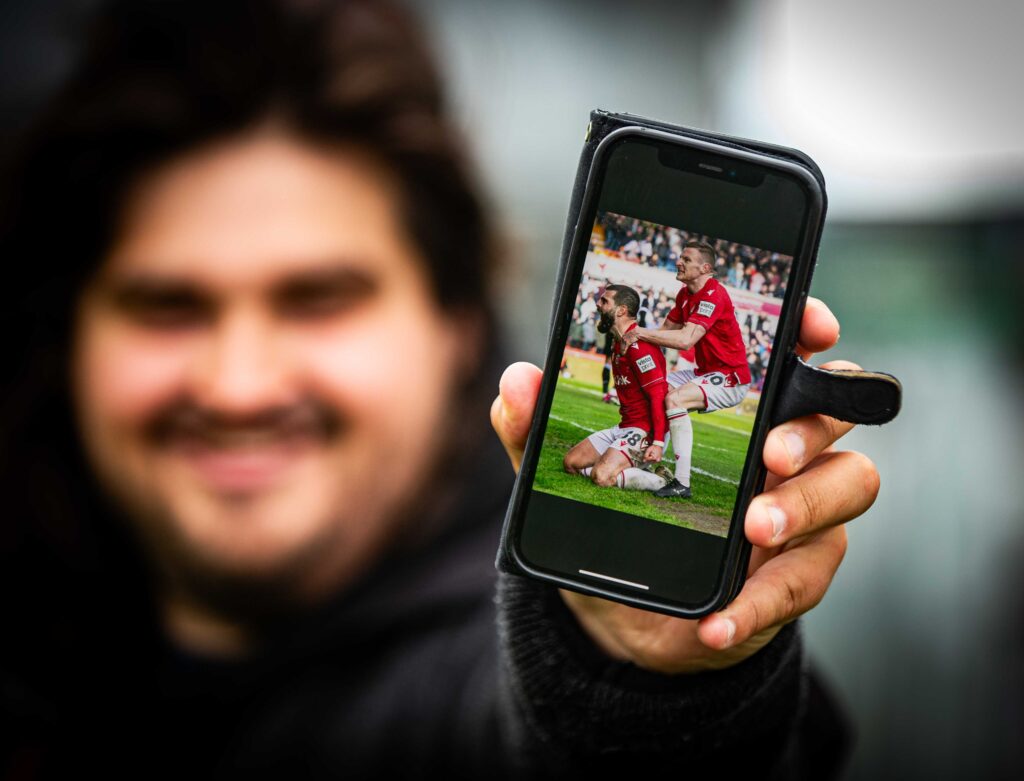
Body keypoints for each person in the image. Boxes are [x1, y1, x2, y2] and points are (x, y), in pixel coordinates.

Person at [1, 1, 880, 777]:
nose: (239, 386)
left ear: (455, 324)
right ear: (68, 330)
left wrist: (638, 686)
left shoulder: (471, 675)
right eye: (168, 306)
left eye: (319, 299)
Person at [627, 240, 752, 499]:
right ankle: (650, 459)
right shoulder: (685, 294)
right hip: (706, 371)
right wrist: (635, 348)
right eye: (680, 256)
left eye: (686, 259)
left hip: (732, 376)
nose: (678, 261)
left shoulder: (713, 295)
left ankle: (682, 483)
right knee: (659, 391)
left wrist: (637, 332)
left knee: (675, 398)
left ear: (705, 267)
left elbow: (684, 340)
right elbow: (664, 334)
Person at [562, 285, 670, 492]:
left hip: (645, 431)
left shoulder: (639, 347)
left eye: (604, 301)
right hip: (625, 427)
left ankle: (661, 481)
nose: (598, 304)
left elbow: (658, 395)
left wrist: (657, 442)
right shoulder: (618, 343)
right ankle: (623, 468)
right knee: (571, 463)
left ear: (621, 310)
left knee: (601, 477)